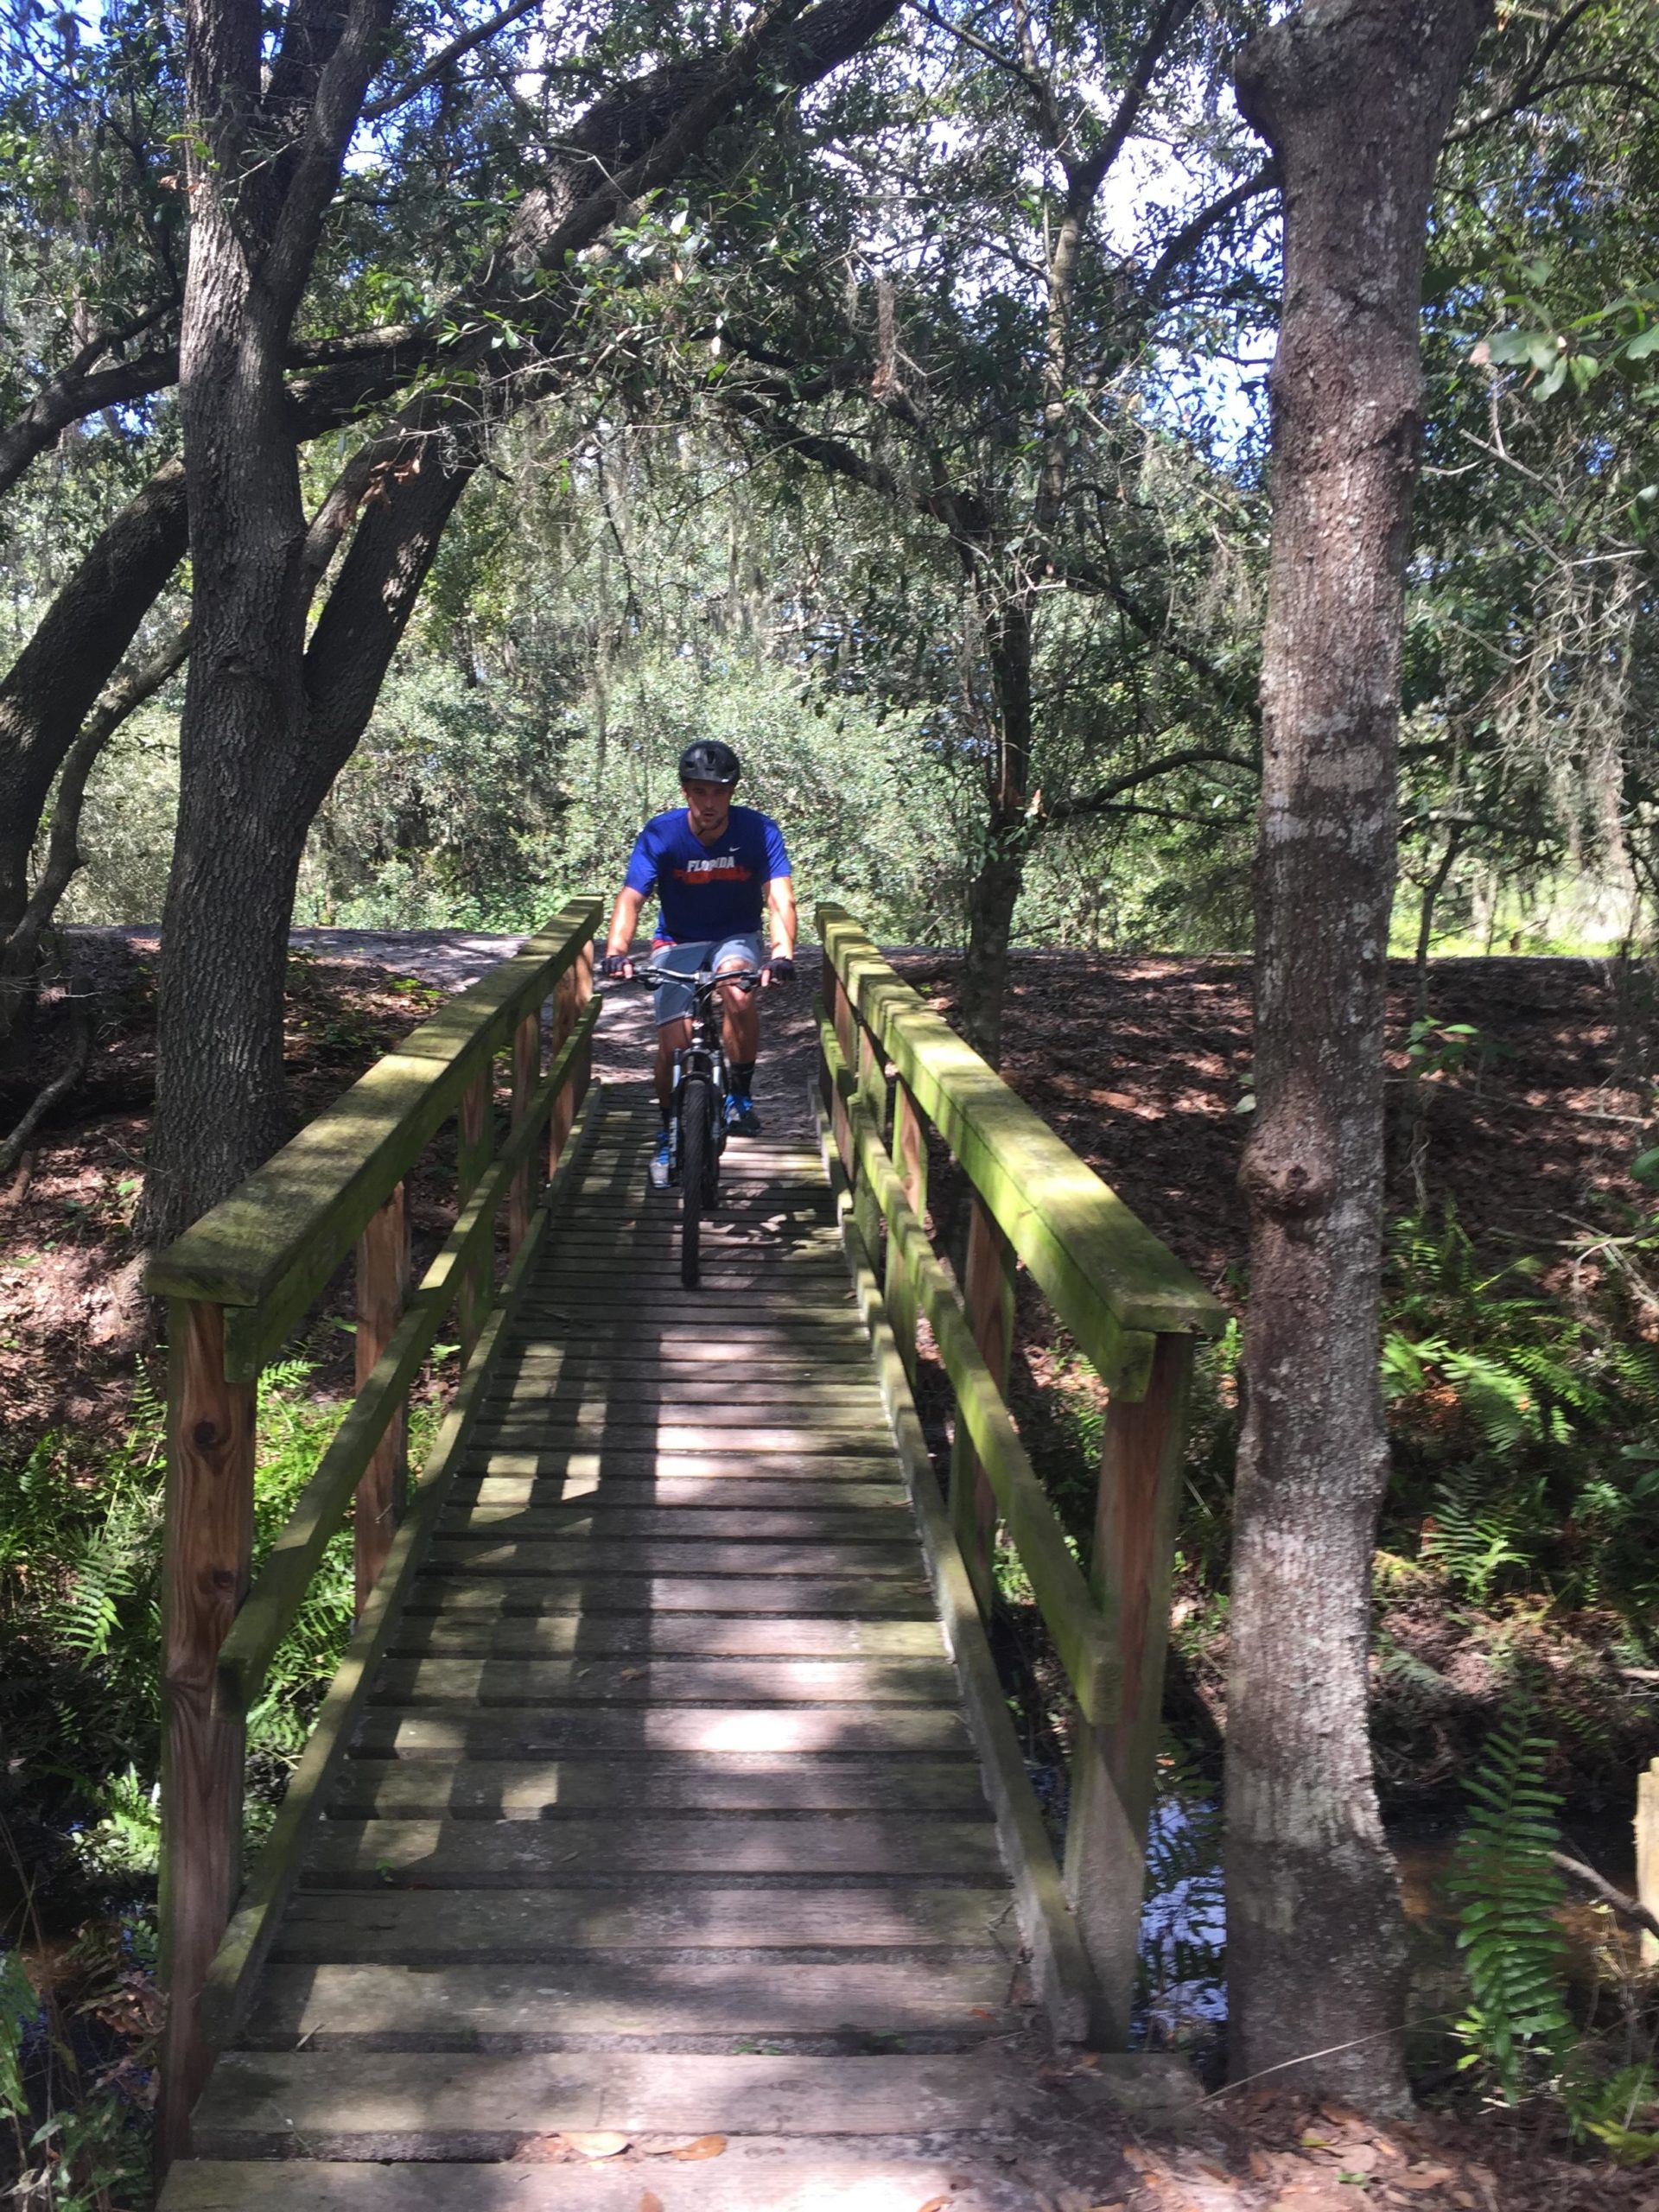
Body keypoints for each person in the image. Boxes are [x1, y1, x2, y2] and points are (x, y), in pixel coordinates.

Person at [600, 740, 797, 1188]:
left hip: (735, 935)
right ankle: (669, 1130)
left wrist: (782, 953)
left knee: (736, 991)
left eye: (719, 792)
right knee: (673, 1041)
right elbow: (631, 898)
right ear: (685, 791)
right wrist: (616, 951)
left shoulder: (758, 832)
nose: (709, 803)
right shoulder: (662, 834)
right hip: (677, 940)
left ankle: (740, 1095)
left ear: (732, 792)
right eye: (699, 791)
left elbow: (779, 897)